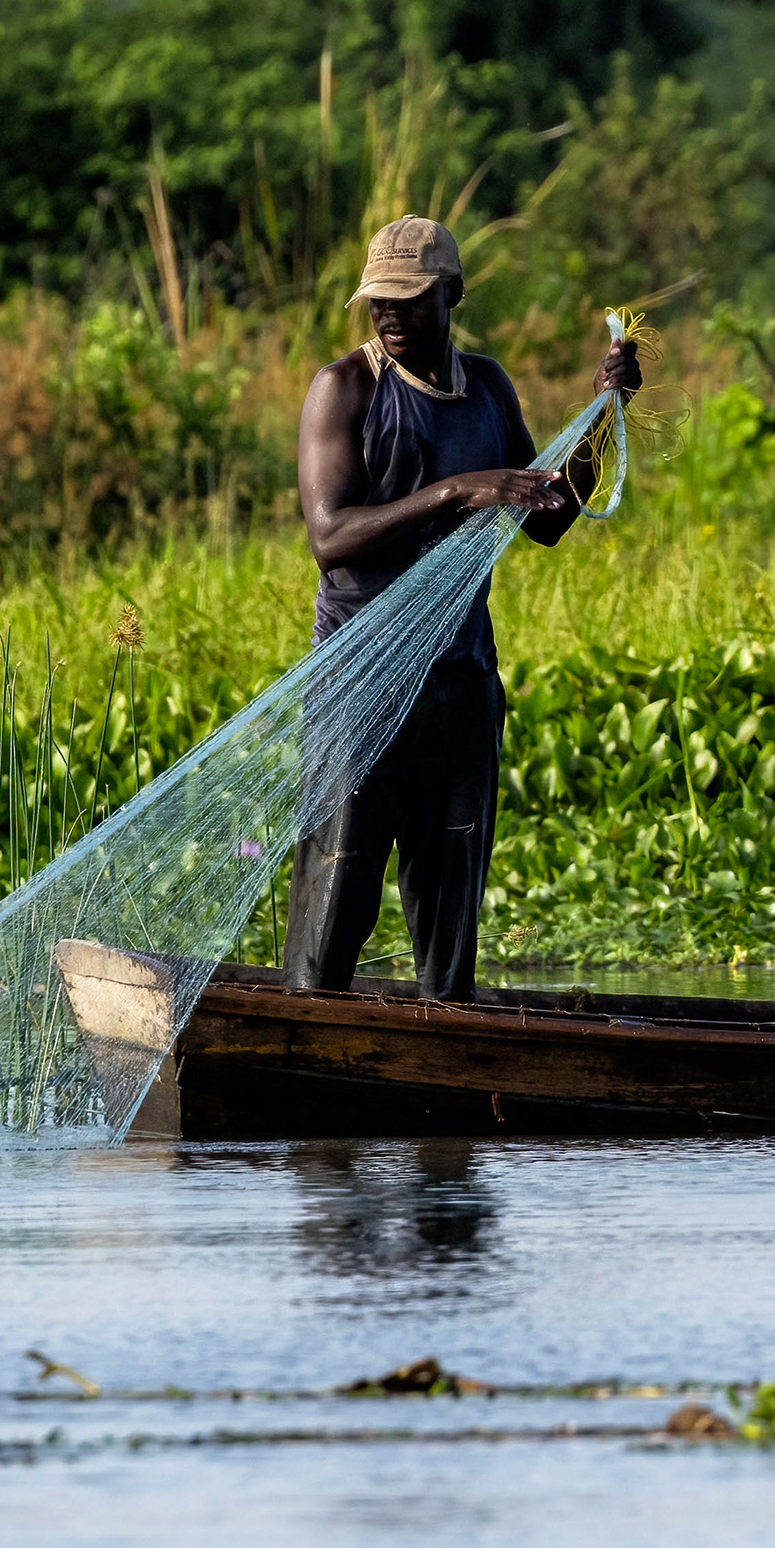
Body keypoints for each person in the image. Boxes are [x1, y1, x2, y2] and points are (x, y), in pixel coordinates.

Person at [282, 215, 642, 1001]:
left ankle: (442, 1070)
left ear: (453, 295)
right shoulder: (346, 389)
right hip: (359, 687)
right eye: (379, 300)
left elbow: (547, 518)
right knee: (338, 895)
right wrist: (457, 489)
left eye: (410, 300)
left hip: (460, 685)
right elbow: (331, 537)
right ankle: (307, 1033)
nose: (390, 314)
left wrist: (601, 419)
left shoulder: (486, 388)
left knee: (448, 912)